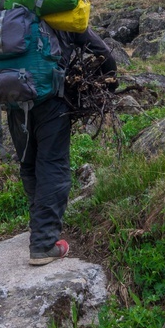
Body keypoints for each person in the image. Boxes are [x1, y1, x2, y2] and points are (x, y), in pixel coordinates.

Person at [8, 27, 116, 266]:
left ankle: (39, 227)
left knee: (29, 163)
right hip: (51, 102)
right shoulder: (63, 18)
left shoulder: (9, 20)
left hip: (14, 102)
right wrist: (109, 83)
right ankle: (44, 244)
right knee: (52, 166)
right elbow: (103, 53)